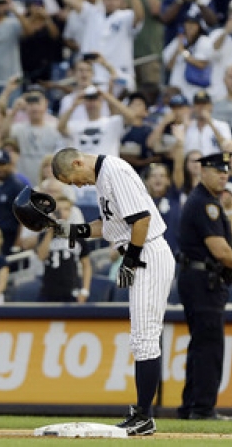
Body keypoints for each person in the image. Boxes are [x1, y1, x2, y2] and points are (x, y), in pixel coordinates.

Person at [51, 147, 175, 435]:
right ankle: (142, 414)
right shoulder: (102, 176)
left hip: (148, 252)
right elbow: (110, 226)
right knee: (141, 338)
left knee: (145, 337)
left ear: (78, 162)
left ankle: (144, 416)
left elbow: (141, 219)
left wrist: (130, 260)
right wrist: (72, 230)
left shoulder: (114, 171)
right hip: (142, 252)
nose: (77, 186)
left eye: (72, 179)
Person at [176, 152, 232, 421]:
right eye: (217, 171)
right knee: (210, 346)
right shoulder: (206, 204)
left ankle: (190, 406)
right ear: (203, 172)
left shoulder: (202, 200)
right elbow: (219, 249)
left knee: (200, 344)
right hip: (203, 281)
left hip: (196, 278)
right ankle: (203, 408)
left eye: (225, 171)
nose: (223, 175)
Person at [35, 193, 92, 303]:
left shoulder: (77, 235)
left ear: (70, 211)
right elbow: (41, 256)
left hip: (72, 289)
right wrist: (50, 231)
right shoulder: (44, 235)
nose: (62, 213)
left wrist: (85, 290)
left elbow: (86, 265)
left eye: (66, 209)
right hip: (48, 290)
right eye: (58, 209)